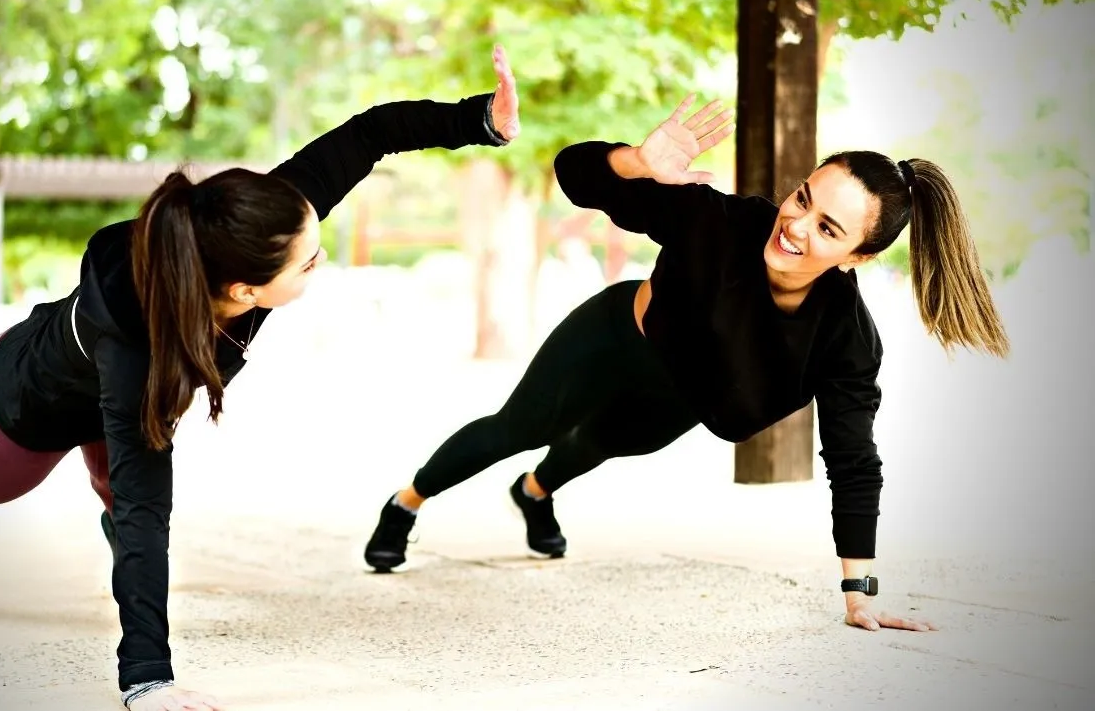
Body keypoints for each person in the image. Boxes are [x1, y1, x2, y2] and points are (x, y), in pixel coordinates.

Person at [0, 46, 522, 710]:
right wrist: (147, 677)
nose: (318, 260)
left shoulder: (255, 223)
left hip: (113, 395)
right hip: (25, 399)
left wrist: (478, 119)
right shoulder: (143, 352)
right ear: (243, 289)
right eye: (309, 262)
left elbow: (368, 134)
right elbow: (150, 508)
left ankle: (122, 568)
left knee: (124, 502)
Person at [363, 94, 1009, 635]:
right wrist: (636, 162)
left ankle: (534, 493)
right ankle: (406, 502)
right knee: (520, 426)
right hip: (618, 336)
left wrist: (859, 591)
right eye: (803, 196)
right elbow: (577, 176)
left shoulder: (845, 341)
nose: (795, 224)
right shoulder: (717, 221)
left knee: (603, 442)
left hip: (680, 398)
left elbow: (852, 458)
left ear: (857, 257)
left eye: (828, 228)